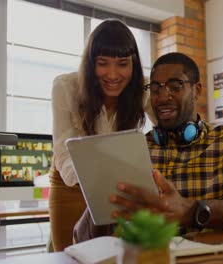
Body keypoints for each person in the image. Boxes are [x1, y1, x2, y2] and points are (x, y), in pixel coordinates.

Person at [73, 52, 223, 242]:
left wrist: (190, 211)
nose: (163, 97)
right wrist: (100, 201)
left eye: (175, 86)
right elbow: (81, 238)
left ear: (196, 90)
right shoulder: (136, 148)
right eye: (155, 89)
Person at [49, 19, 154, 251]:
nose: (113, 74)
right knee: (68, 255)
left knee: (114, 253)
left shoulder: (143, 89)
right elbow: (64, 155)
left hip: (118, 183)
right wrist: (100, 177)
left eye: (123, 64)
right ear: (90, 64)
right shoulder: (66, 87)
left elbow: (171, 127)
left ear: (133, 65)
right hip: (70, 183)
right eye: (102, 63)